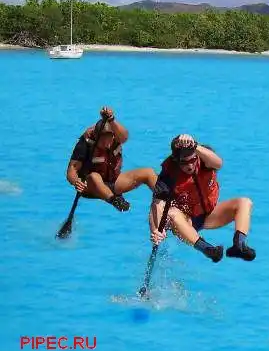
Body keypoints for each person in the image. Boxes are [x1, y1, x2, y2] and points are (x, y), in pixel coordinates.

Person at [148, 134, 256, 263]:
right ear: (176, 160)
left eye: (193, 160)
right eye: (184, 162)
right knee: (171, 213)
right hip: (185, 222)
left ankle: (239, 245)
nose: (190, 166)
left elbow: (219, 163)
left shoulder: (204, 157)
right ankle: (208, 250)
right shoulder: (168, 174)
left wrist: (195, 146)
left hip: (209, 215)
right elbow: (157, 204)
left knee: (244, 202)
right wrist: (156, 230)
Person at [66, 106, 157, 212]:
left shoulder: (118, 137)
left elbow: (125, 136)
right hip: (91, 188)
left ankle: (167, 200)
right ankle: (115, 200)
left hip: (113, 182)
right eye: (102, 141)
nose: (106, 144)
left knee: (148, 172)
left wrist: (111, 119)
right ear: (96, 137)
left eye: (109, 140)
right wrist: (76, 182)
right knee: (94, 176)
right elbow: (72, 170)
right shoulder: (85, 144)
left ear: (113, 136)